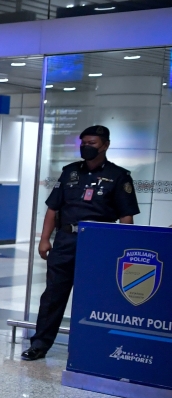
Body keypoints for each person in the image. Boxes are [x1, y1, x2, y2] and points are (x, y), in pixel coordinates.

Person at [22, 125, 139, 361]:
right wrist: (44, 239)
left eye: (92, 143)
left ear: (105, 145)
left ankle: (90, 346)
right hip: (66, 241)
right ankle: (40, 344)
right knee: (53, 295)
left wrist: (122, 247)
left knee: (94, 296)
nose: (86, 147)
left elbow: (126, 217)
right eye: (83, 142)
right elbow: (53, 208)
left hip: (99, 245)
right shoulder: (69, 173)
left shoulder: (119, 176)